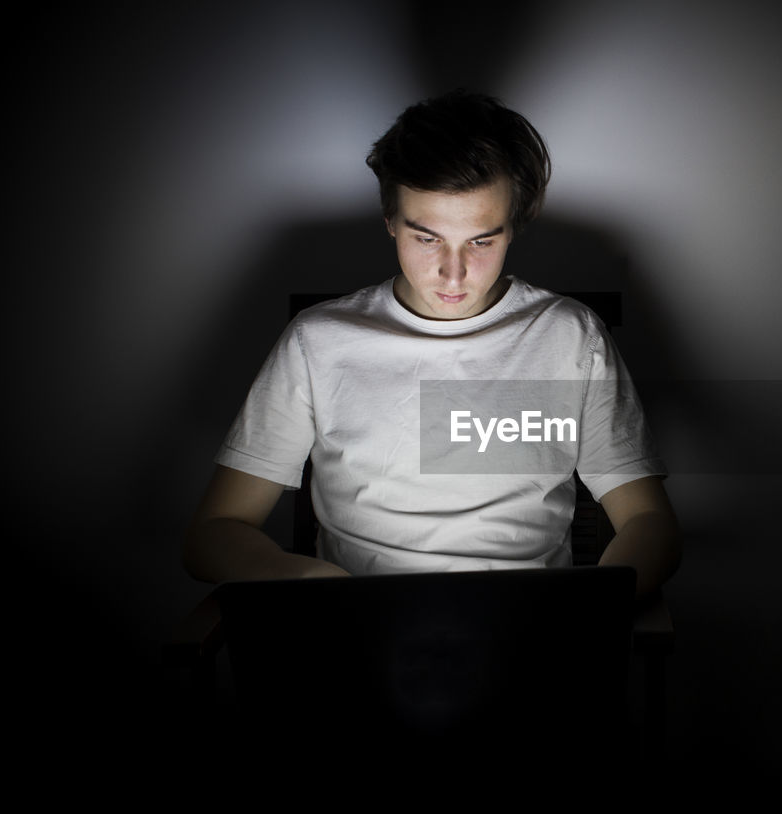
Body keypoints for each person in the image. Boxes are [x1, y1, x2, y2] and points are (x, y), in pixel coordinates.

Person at [183, 91, 680, 598]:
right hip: (364, 633)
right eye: (427, 238)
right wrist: (313, 584)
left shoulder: (570, 336)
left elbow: (646, 518)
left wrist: (594, 609)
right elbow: (215, 533)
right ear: (391, 221)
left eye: (481, 241)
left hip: (523, 632)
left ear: (514, 228)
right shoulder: (319, 341)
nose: (453, 272)